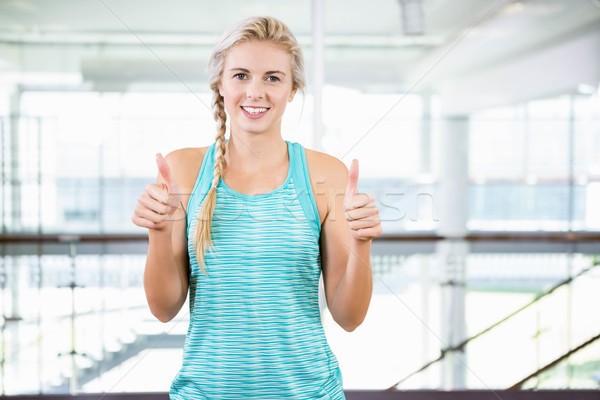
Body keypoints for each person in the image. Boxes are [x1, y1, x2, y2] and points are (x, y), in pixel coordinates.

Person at [131, 16, 382, 400]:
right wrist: (158, 233)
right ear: (220, 83)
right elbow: (164, 309)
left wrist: (361, 244)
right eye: (241, 75)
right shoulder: (183, 170)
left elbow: (349, 317)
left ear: (293, 89)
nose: (255, 92)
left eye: (273, 78)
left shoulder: (326, 175)